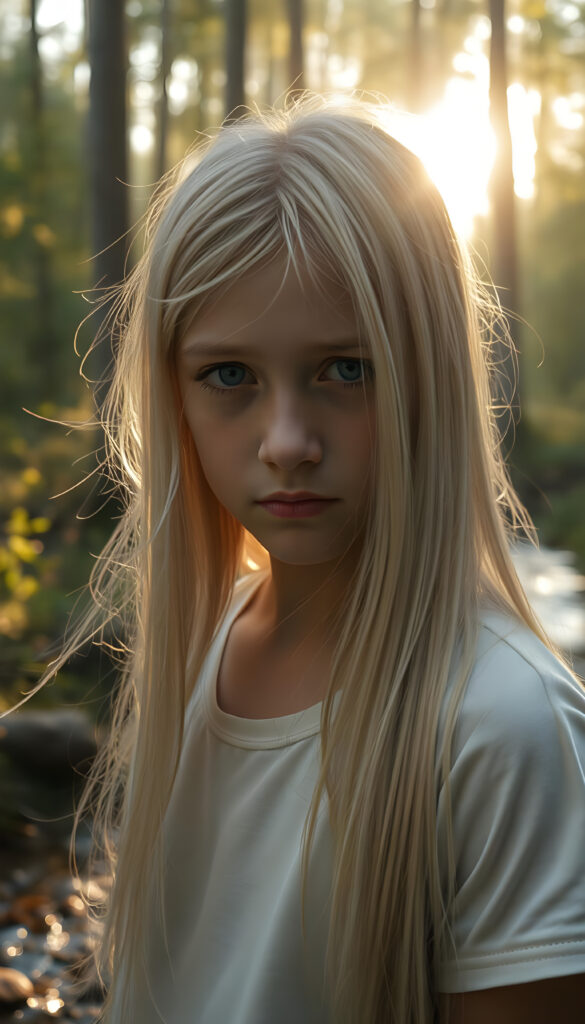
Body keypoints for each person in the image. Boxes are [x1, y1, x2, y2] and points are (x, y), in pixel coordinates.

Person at [38, 97, 585, 1022]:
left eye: (346, 369)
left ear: (431, 376)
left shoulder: (502, 728)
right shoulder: (208, 643)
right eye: (229, 376)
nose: (287, 441)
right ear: (170, 392)